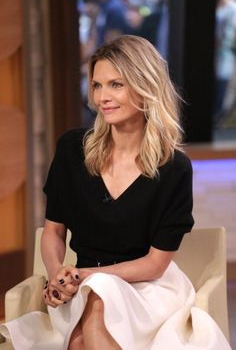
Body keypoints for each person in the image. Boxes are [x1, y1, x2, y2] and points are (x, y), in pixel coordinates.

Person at [0, 35, 231, 350]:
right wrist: (58, 276)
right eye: (97, 85)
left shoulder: (174, 168)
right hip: (82, 288)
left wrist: (84, 277)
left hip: (148, 291)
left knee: (96, 303)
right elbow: (53, 232)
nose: (102, 97)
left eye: (116, 85)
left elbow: (154, 264)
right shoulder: (71, 150)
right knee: (91, 311)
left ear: (145, 87)